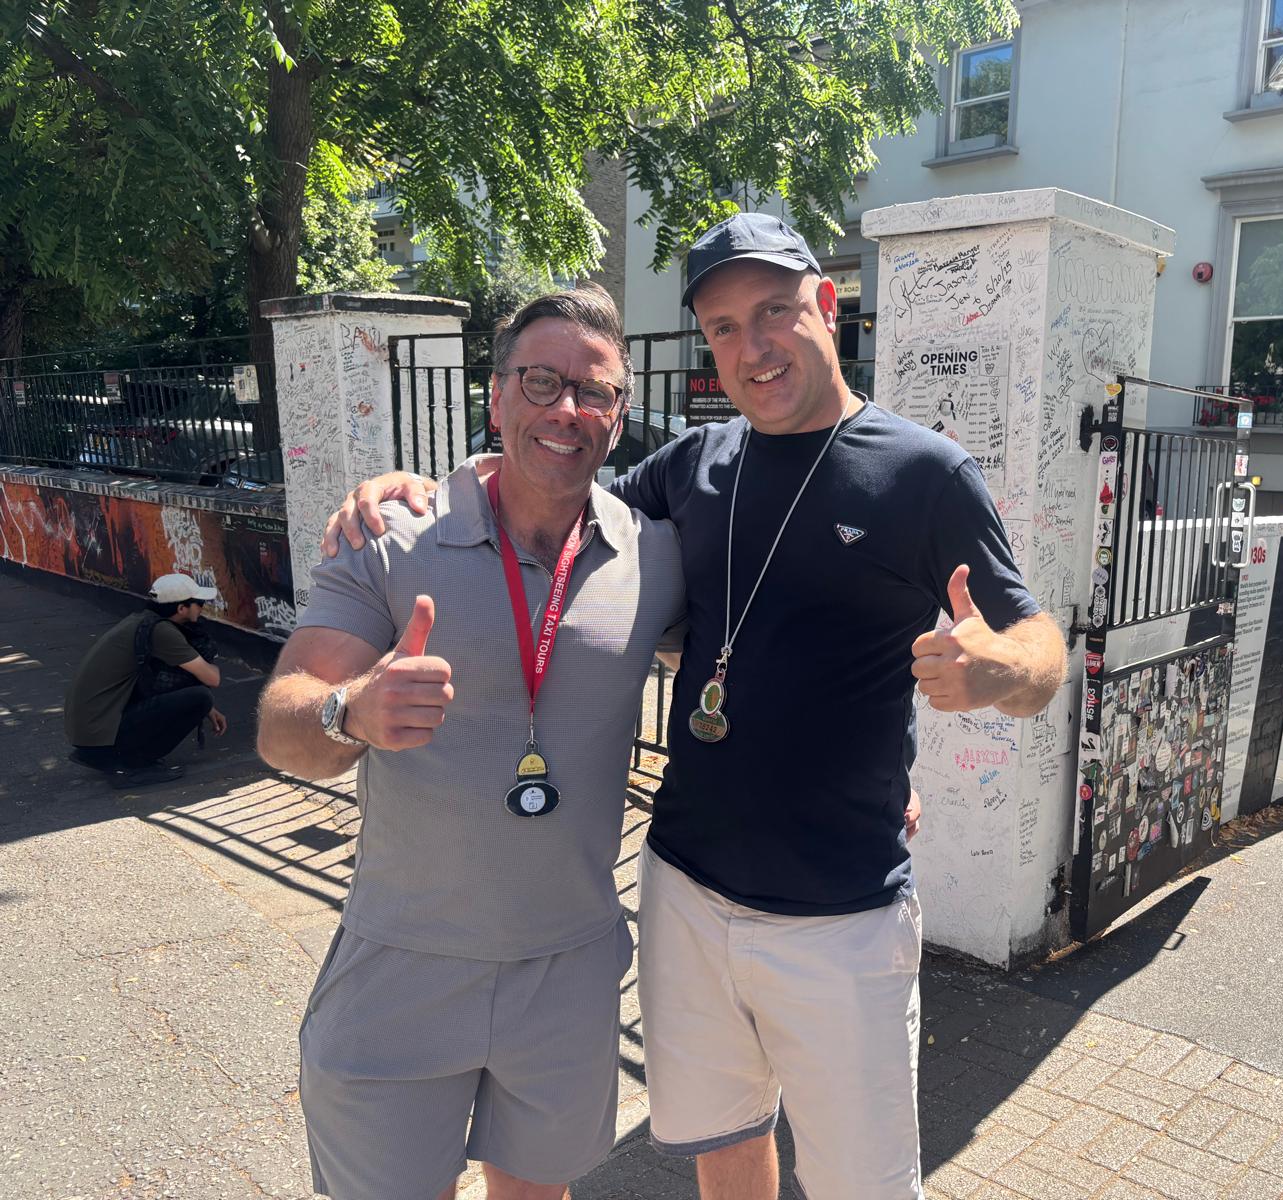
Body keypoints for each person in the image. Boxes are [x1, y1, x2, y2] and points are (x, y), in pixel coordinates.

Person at [322, 213, 1065, 1200]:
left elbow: (1041, 647)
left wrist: (995, 670)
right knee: (725, 1138)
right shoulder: (695, 464)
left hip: (839, 912)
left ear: (827, 305)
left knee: (865, 1186)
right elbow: (557, 487)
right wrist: (423, 488)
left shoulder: (922, 473)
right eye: (722, 327)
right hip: (683, 886)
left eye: (774, 312)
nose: (752, 346)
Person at [257, 286, 688, 1200]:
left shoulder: (655, 555)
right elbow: (281, 723)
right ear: (495, 398)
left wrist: (884, 773)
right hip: (403, 968)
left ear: (618, 416)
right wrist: (350, 712)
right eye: (541, 382)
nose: (567, 409)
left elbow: (767, 647)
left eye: (595, 392)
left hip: (568, 971)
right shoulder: (389, 538)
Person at [65, 572, 228, 784]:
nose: (202, 609)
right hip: (98, 733)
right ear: (181, 609)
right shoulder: (161, 631)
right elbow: (212, 678)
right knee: (201, 697)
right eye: (199, 604)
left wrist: (209, 710)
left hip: (90, 731)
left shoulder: (142, 620)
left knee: (196, 697)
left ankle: (114, 756)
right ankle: (133, 765)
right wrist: (211, 660)